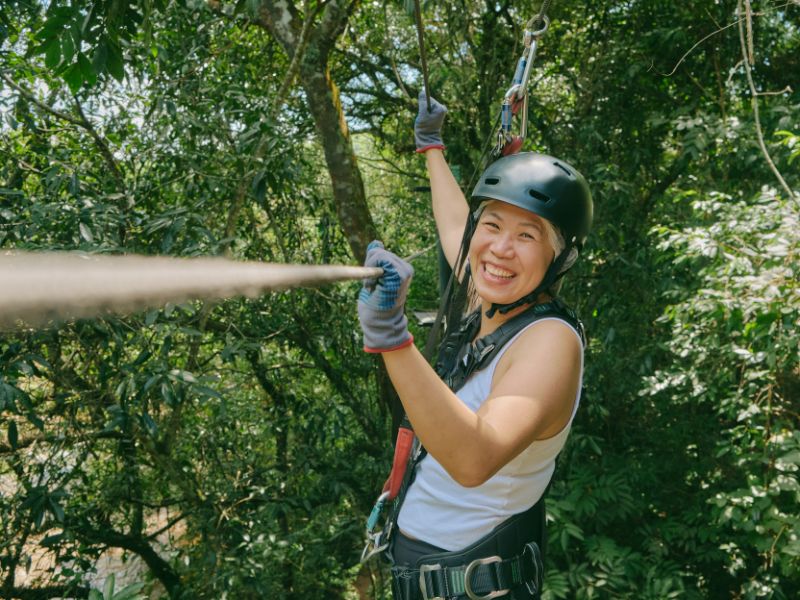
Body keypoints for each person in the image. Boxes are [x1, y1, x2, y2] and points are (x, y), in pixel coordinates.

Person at [357, 91, 593, 600]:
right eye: (492, 226)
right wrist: (431, 148)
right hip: (419, 577)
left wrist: (392, 339)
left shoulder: (549, 341)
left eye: (527, 236)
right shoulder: (487, 300)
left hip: (475, 587)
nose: (500, 248)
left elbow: (474, 457)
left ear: (559, 258)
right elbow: (454, 225)